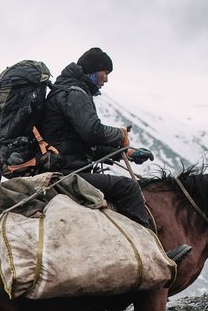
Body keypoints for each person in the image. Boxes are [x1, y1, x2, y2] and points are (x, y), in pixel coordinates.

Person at [39, 46, 191, 262]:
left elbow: (81, 142)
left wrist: (124, 153)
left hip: (65, 168)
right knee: (128, 187)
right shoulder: (74, 93)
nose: (106, 79)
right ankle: (151, 256)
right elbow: (91, 131)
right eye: (105, 73)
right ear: (93, 70)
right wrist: (120, 135)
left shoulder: (67, 91)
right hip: (67, 174)